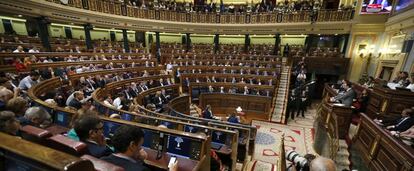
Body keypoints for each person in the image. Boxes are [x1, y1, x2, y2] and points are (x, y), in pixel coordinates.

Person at [101, 125, 178, 171]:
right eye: (140, 146)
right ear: (132, 145)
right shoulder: (141, 170)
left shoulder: (103, 160)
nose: (141, 149)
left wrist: (140, 160)